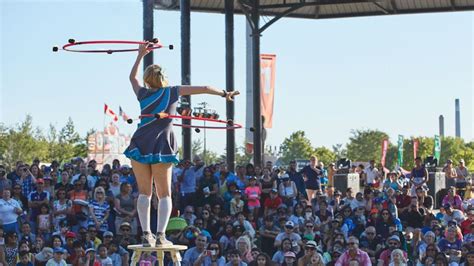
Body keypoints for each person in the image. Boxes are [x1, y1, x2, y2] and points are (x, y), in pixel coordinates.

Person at [123, 42, 239, 247]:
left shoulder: (143, 94)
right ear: (163, 78)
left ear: (148, 80)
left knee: (144, 193)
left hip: (140, 142)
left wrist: (140, 55)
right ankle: (160, 235)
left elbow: (132, 78)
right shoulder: (173, 92)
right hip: (161, 145)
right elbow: (203, 88)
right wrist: (224, 93)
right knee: (164, 193)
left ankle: (146, 234)